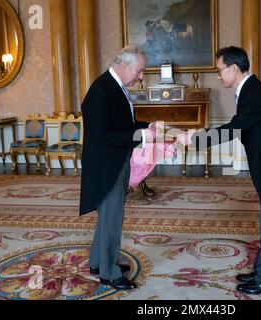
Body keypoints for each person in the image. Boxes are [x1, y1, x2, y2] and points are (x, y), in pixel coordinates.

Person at [191, 46, 261, 295]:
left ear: (233, 68)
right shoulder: (249, 90)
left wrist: (197, 139)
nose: (218, 76)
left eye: (220, 70)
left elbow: (234, 128)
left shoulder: (254, 94)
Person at [79, 44, 150, 291]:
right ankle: (109, 274)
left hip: (115, 161)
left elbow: (125, 124)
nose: (141, 77)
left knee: (107, 218)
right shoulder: (101, 91)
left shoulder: (116, 87)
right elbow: (105, 133)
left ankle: (98, 262)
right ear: (124, 65)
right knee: (112, 220)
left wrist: (149, 127)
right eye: (139, 71)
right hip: (105, 166)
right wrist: (142, 136)